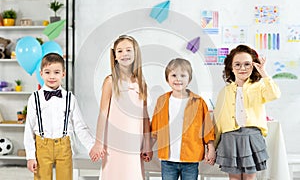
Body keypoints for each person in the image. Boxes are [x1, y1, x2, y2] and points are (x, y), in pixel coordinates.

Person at [89, 35, 153, 180]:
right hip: (114, 143)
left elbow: (145, 117)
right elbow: (103, 114)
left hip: (134, 143)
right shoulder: (110, 81)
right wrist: (98, 143)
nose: (125, 54)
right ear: (115, 56)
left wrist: (147, 145)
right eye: (120, 51)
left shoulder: (140, 82)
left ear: (135, 53)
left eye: (128, 50)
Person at [214, 45, 281, 180]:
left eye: (247, 64)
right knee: (234, 178)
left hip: (252, 136)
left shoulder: (259, 86)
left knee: (250, 176)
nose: (242, 68)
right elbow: (218, 120)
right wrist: (213, 145)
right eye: (237, 64)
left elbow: (274, 94)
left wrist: (263, 72)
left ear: (253, 66)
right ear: (231, 67)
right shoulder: (225, 91)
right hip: (230, 138)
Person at [24, 53, 95, 180]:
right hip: (42, 146)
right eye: (47, 72)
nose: (52, 76)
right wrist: (30, 156)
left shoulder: (69, 98)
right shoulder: (34, 98)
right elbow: (28, 128)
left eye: (56, 72)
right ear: (41, 74)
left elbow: (80, 126)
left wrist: (91, 146)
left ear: (63, 74)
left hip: (64, 147)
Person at [151, 58, 216, 180]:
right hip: (168, 160)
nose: (178, 79)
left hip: (191, 159)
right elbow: (155, 129)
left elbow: (207, 129)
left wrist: (211, 148)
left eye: (183, 75)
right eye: (174, 75)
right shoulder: (162, 101)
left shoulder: (199, 102)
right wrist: (147, 148)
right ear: (167, 78)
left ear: (189, 79)